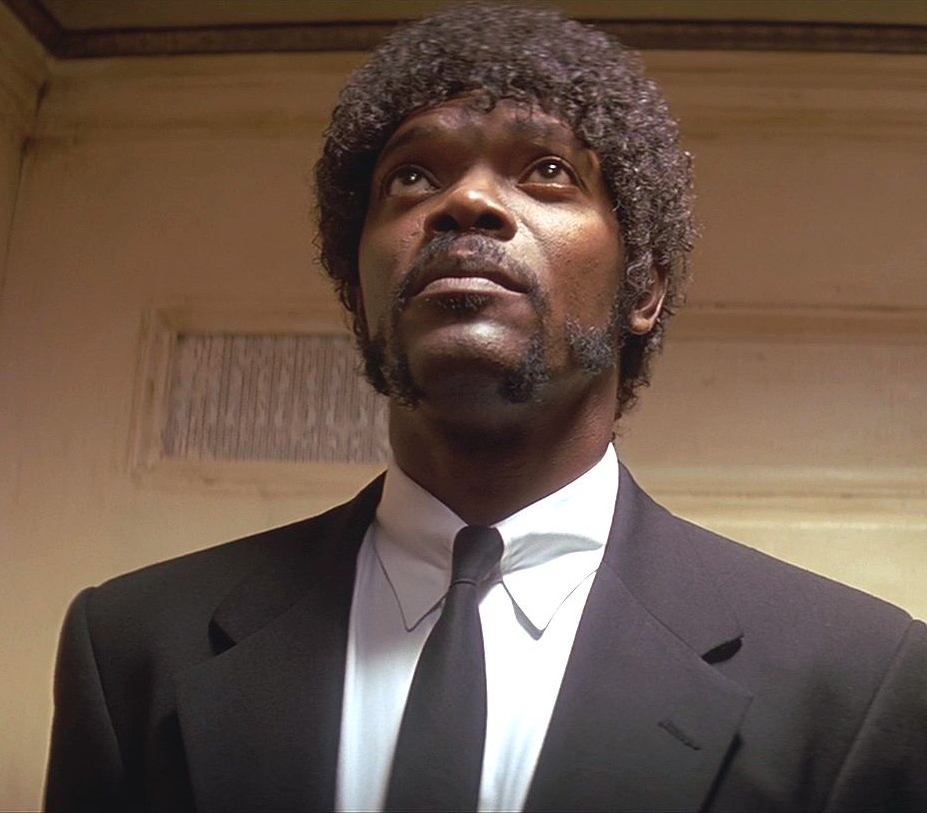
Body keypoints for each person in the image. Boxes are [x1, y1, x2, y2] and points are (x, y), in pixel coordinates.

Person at [45, 5, 926, 812]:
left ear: (643, 289)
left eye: (548, 171)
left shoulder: (860, 681)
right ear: (359, 293)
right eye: (411, 176)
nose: (463, 201)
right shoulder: (131, 646)